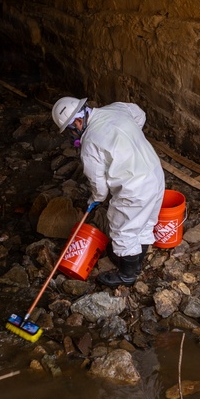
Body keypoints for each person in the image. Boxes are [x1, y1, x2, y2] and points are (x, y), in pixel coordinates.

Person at [52, 97, 166, 287]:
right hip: (155, 175)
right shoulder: (117, 109)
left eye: (71, 131)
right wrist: (129, 140)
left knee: (123, 231)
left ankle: (127, 275)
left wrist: (95, 200)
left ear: (78, 122)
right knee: (145, 221)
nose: (72, 136)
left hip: (134, 188)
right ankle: (136, 262)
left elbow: (100, 187)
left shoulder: (89, 144)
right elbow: (140, 114)